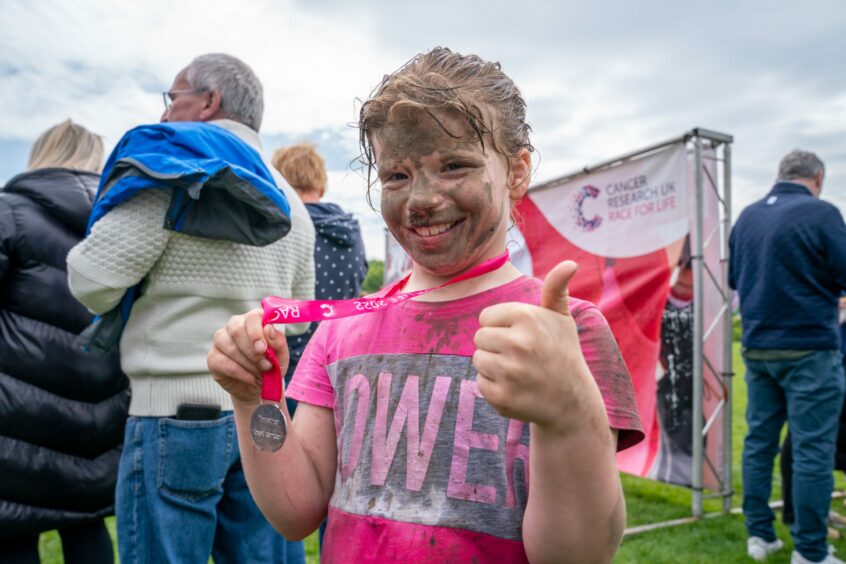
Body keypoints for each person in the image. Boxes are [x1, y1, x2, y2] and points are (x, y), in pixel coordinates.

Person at [208, 47, 644, 563]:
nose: (421, 199)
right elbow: (295, 510)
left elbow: (576, 554)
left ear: (518, 171)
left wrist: (570, 412)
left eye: (454, 165)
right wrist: (255, 397)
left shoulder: (563, 333)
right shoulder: (343, 329)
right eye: (397, 175)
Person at [67, 54, 315, 563]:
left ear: (208, 102)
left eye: (172, 97)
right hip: (262, 413)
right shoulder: (290, 200)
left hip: (173, 413)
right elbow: (300, 316)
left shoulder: (171, 171)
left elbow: (90, 282)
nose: (163, 115)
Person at [0, 120, 129, 563]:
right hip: (102, 414)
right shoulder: (122, 223)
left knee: (12, 526)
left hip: (15, 418)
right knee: (86, 525)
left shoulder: (8, 211)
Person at [729, 149, 846, 563]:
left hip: (759, 348)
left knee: (759, 444)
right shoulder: (823, 214)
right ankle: (812, 552)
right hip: (810, 348)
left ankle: (760, 536)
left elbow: (734, 280)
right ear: (817, 178)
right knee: (813, 450)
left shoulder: (746, 217)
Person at [270, 142, 369, 408]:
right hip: (340, 372)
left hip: (286, 374)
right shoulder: (350, 231)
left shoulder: (280, 229)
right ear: (321, 187)